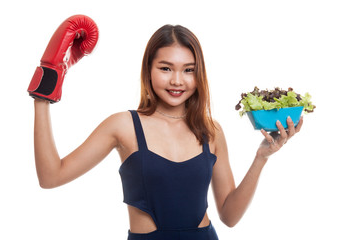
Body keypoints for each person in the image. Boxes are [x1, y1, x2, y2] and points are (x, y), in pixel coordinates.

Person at [29, 15, 303, 240]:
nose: (177, 81)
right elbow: (51, 177)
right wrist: (43, 95)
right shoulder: (123, 125)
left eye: (188, 70)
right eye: (165, 68)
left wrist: (261, 157)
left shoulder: (210, 130)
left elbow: (230, 216)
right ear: (148, 69)